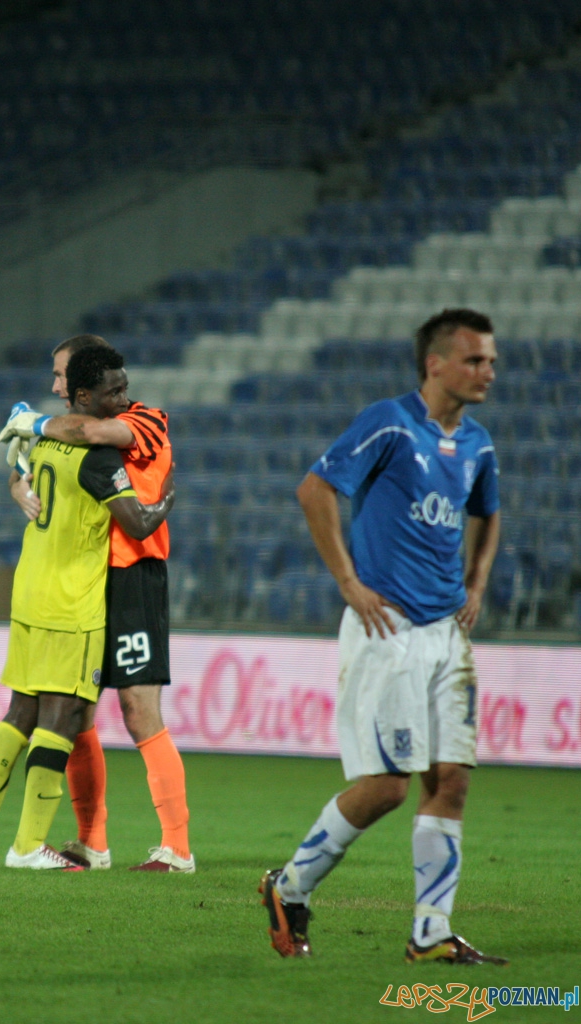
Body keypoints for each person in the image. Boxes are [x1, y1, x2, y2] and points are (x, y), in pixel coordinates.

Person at [260, 308, 508, 965]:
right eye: (474, 359)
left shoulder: (478, 443)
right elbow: (315, 489)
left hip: (446, 631)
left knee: (450, 781)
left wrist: (477, 582)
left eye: (490, 359)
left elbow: (488, 512)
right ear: (435, 363)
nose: (487, 370)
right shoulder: (389, 422)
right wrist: (348, 581)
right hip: (386, 625)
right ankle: (289, 887)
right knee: (388, 787)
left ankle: (430, 932)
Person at [0, 345, 175, 869]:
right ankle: (28, 846)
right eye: (112, 392)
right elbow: (138, 524)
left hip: (29, 587)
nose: (121, 400)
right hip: (72, 599)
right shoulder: (99, 459)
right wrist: (168, 496)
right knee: (62, 715)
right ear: (86, 397)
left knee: (20, 710)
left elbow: (20, 471)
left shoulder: (43, 440)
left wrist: (15, 483)